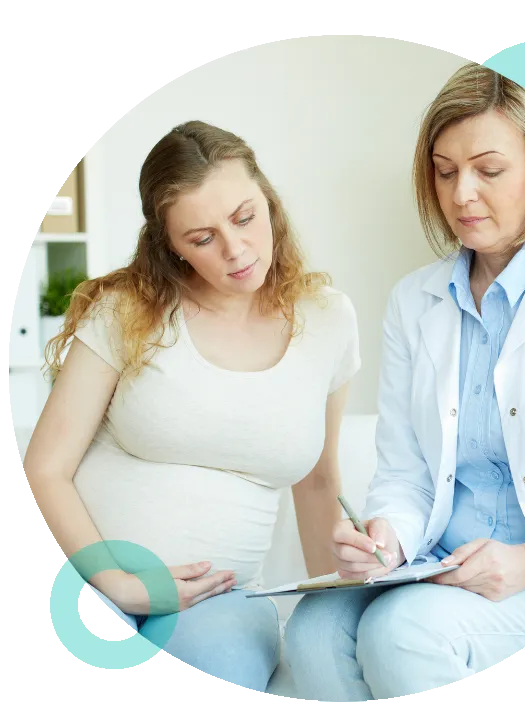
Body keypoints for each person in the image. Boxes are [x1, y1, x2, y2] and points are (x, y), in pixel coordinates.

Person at [284, 63, 525, 700]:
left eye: (488, 170)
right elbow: (407, 474)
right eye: (445, 172)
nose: (462, 194)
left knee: (402, 633)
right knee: (312, 632)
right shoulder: (414, 301)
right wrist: (386, 539)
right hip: (440, 567)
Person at [23, 121, 361, 692]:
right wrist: (118, 583)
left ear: (269, 199)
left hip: (217, 603)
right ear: (169, 245)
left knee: (219, 667)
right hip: (87, 581)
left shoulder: (328, 318)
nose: (235, 249)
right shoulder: (128, 310)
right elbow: (46, 467)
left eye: (245, 217)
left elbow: (318, 482)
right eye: (202, 238)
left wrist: (336, 611)